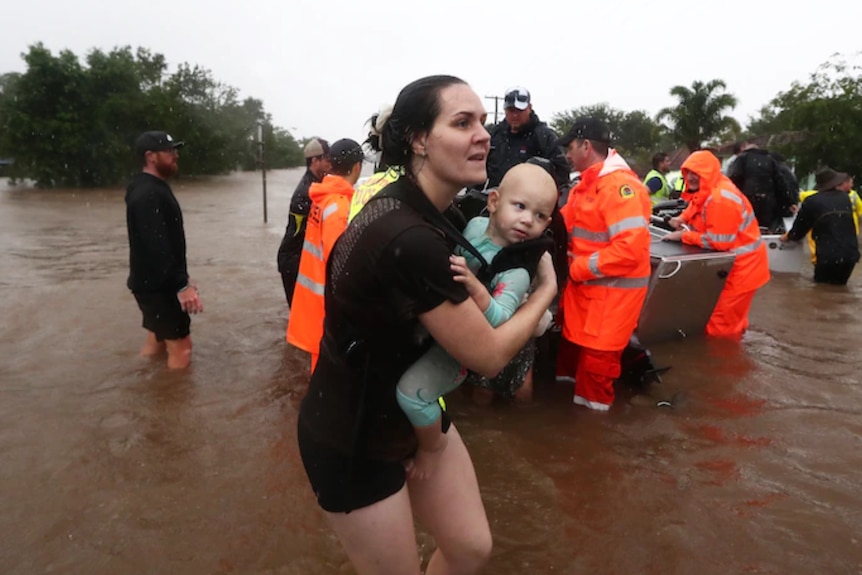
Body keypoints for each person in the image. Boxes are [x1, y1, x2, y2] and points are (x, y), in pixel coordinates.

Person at [296, 75, 557, 575]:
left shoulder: (425, 204)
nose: (484, 133)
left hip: (412, 407)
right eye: (463, 123)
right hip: (353, 437)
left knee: (470, 549)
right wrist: (544, 291)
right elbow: (487, 355)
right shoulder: (409, 238)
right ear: (418, 138)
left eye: (483, 121)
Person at [395, 162, 558, 419]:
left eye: (539, 216)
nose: (527, 220)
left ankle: (433, 447)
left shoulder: (515, 271)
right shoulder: (474, 225)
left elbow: (501, 318)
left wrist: (474, 285)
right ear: (493, 202)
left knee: (413, 398)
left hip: (462, 351)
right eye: (520, 206)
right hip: (438, 326)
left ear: (547, 223)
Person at [554, 118, 652, 412]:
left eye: (570, 148)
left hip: (610, 300)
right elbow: (562, 224)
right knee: (569, 363)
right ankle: (568, 423)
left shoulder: (620, 187)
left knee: (596, 372)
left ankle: (592, 441)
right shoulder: (585, 185)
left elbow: (629, 249)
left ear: (586, 146)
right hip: (584, 295)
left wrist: (575, 269)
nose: (566, 155)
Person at [663, 150, 770, 337]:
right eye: (688, 172)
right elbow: (696, 203)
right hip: (734, 266)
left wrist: (683, 236)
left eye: (696, 173)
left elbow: (718, 243)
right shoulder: (712, 185)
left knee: (720, 328)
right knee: (731, 321)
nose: (691, 177)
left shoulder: (721, 199)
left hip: (742, 270)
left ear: (707, 172)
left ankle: (723, 362)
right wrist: (681, 218)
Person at [125, 131, 203, 369]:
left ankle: (144, 387)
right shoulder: (149, 193)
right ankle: (173, 404)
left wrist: (183, 276)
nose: (175, 155)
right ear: (151, 157)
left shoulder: (143, 187)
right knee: (182, 348)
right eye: (169, 151)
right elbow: (157, 245)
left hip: (148, 283)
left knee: (157, 341)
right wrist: (181, 285)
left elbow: (162, 241)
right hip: (160, 287)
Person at [286, 139, 365, 370]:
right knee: (327, 380)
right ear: (358, 167)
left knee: (319, 375)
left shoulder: (323, 197)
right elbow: (339, 266)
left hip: (313, 302)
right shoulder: (339, 207)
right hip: (325, 309)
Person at [276, 138, 331, 306]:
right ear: (315, 160)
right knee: (301, 316)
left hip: (299, 258)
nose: (331, 163)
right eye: (327, 159)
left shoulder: (317, 184)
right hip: (293, 260)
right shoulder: (307, 192)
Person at [782, 168, 859, 285]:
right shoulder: (845, 198)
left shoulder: (812, 201)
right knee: (839, 289)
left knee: (821, 289)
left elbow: (799, 230)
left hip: (828, 256)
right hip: (850, 255)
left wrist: (788, 237)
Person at [486, 86, 570, 192]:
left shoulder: (544, 136)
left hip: (529, 201)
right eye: (511, 110)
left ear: (529, 108)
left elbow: (562, 174)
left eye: (519, 110)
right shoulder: (494, 135)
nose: (515, 115)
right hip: (494, 198)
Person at [727, 140, 794, 232]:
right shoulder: (770, 159)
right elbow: (780, 183)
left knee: (747, 228)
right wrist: (789, 202)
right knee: (764, 228)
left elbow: (734, 179)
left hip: (748, 199)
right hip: (767, 200)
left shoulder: (742, 158)